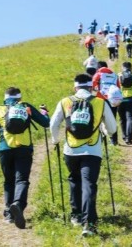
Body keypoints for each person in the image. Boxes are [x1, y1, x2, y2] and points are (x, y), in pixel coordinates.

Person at [50, 73, 117, 237]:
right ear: (91, 87)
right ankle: (89, 223)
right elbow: (113, 128)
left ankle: (76, 215)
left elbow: (53, 124)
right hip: (92, 151)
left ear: (75, 87)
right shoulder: (100, 102)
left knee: (74, 179)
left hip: (70, 150)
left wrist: (55, 140)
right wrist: (106, 132)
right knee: (89, 184)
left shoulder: (65, 102)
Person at [0, 87, 50, 229]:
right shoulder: (25, 107)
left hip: (5, 149)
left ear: (5, 98)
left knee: (9, 181)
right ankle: (18, 205)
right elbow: (46, 123)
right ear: (19, 98)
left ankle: (9, 214)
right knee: (21, 180)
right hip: (24, 149)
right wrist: (45, 112)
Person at [92, 61, 121, 145]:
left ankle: (100, 139)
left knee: (99, 119)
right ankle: (114, 140)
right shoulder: (114, 75)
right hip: (112, 100)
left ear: (98, 67)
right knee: (112, 120)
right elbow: (118, 88)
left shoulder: (98, 74)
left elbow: (92, 87)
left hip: (101, 100)